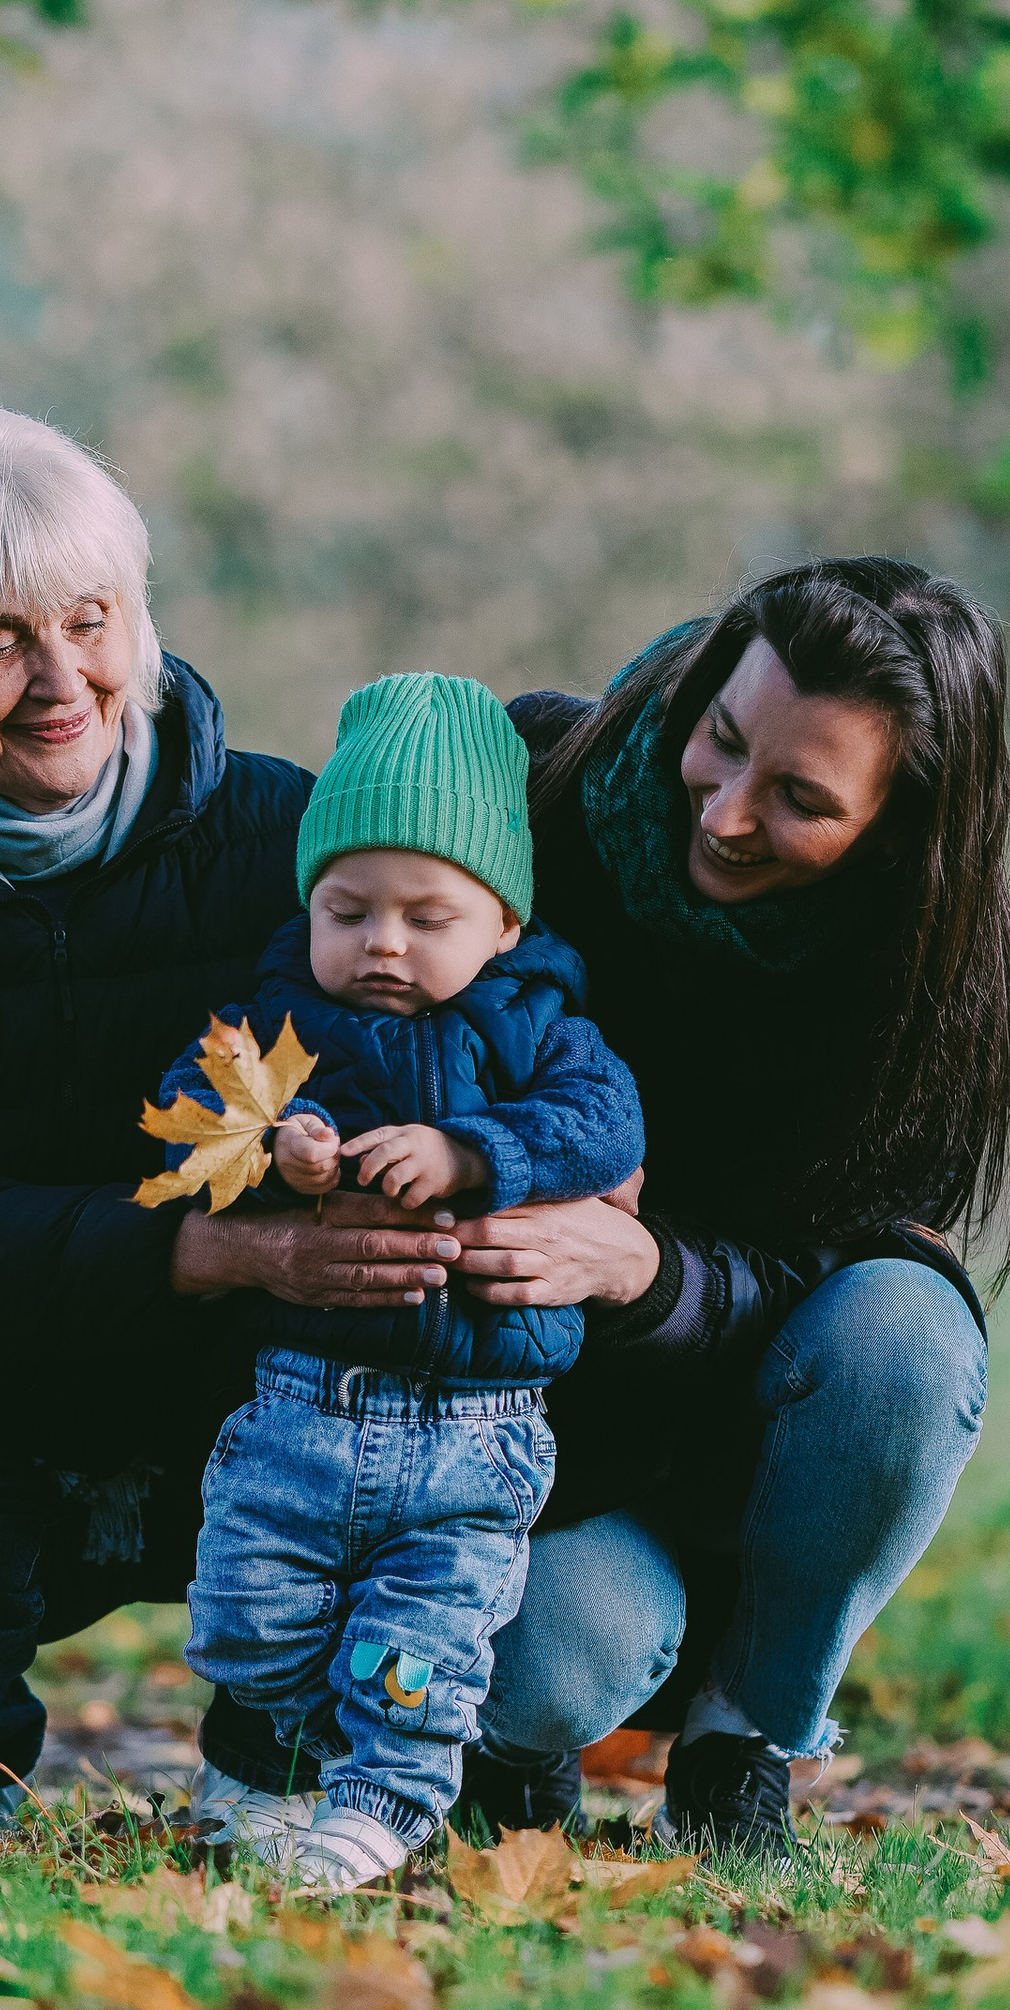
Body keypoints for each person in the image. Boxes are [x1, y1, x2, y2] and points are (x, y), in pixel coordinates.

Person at [0, 403, 460, 1848]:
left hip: (244, 1398)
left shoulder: (285, 836)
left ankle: (280, 1753)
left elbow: (418, 1075)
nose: (66, 681)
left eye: (92, 619)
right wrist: (228, 1254)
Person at [449, 560, 1010, 1855]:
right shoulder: (541, 790)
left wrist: (648, 1270)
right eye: (722, 741)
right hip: (552, 1426)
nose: (722, 813)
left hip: (765, 1433)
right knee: (543, 1667)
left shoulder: (954, 985)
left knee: (907, 1324)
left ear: (899, 826)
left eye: (800, 799)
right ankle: (512, 1744)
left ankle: (744, 1736)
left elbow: (838, 1270)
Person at [153, 674, 646, 1891]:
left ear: (505, 925)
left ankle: (384, 1796)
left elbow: (601, 1126)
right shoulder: (274, 1021)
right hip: (297, 1406)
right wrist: (281, 1142)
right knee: (253, 1607)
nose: (382, 942)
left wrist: (476, 1152)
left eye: (429, 915)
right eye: (348, 907)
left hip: (474, 1430)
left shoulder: (541, 1028)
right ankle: (259, 1763)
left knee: (425, 1628)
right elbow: (190, 1122)